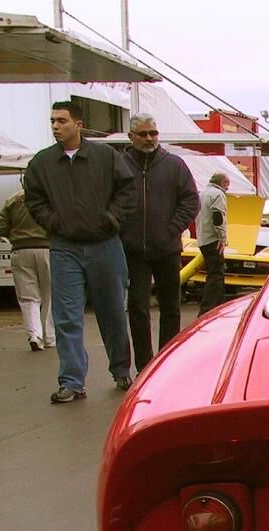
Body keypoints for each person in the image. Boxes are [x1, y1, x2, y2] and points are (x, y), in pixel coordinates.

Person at [24, 100, 136, 403]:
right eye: (52, 121)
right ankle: (72, 381)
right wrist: (52, 221)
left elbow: (127, 191)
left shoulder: (105, 156)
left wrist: (111, 218)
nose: (56, 127)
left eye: (61, 121)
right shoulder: (42, 163)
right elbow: (33, 199)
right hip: (65, 247)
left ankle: (121, 370)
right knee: (67, 316)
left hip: (105, 245)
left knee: (112, 311)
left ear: (78, 125)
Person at [120, 114, 199, 374]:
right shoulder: (120, 165)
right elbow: (108, 200)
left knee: (171, 307)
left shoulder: (174, 165)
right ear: (131, 136)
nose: (149, 138)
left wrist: (172, 229)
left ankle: (167, 364)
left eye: (153, 133)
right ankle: (144, 366)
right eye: (142, 134)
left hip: (166, 248)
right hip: (132, 250)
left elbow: (190, 201)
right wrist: (120, 229)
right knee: (138, 308)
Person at [0, 181, 54, 352]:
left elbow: (1, 227)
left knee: (28, 298)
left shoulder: (13, 200)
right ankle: (50, 336)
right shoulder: (50, 197)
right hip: (47, 249)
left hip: (21, 250)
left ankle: (35, 335)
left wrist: (15, 233)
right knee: (50, 294)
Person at [196, 172, 230, 315]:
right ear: (222, 182)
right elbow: (218, 217)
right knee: (216, 275)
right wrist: (222, 238)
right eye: (227, 183)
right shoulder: (218, 195)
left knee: (212, 273)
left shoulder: (203, 193)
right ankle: (210, 309)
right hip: (213, 239)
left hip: (203, 237)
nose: (228, 187)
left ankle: (213, 307)